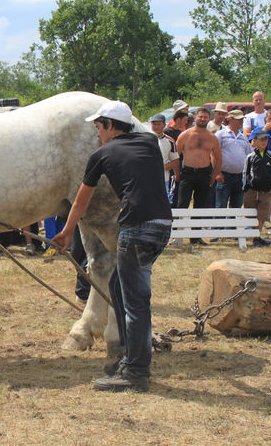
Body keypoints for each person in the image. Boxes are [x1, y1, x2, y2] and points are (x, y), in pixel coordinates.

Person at [52, 100, 172, 392]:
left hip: (135, 229)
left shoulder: (101, 155)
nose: (97, 134)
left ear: (108, 125)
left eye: (98, 127)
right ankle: (125, 358)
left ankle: (135, 374)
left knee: (134, 304)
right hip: (162, 227)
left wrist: (66, 232)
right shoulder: (149, 141)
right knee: (119, 288)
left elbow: (81, 201)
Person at [175, 107, 223, 244]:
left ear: (209, 119)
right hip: (188, 173)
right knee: (182, 204)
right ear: (195, 118)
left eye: (205, 117)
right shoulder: (185, 135)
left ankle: (195, 237)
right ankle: (177, 236)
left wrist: (214, 175)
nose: (202, 119)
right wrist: (178, 174)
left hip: (204, 174)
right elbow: (175, 157)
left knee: (200, 206)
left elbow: (218, 158)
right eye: (200, 116)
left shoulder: (212, 138)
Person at [243, 130, 271, 247]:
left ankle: (257, 237)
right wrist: (246, 187)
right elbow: (246, 173)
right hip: (252, 190)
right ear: (255, 141)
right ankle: (255, 236)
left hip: (266, 190)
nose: (264, 142)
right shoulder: (250, 157)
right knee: (251, 213)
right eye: (261, 139)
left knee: (263, 214)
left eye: (266, 139)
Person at [214, 110, 252, 209]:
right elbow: (213, 153)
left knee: (236, 206)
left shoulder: (243, 137)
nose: (241, 121)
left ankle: (231, 225)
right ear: (230, 119)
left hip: (239, 177)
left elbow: (249, 156)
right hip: (224, 176)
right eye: (238, 119)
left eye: (241, 119)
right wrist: (217, 172)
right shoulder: (220, 134)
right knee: (220, 206)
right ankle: (219, 225)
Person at [149, 113, 180, 202]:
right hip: (146, 178)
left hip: (163, 179)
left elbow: (175, 161)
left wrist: (162, 167)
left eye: (158, 124)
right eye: (154, 124)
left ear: (164, 125)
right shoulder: (144, 139)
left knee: (161, 205)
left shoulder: (170, 141)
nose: (156, 127)